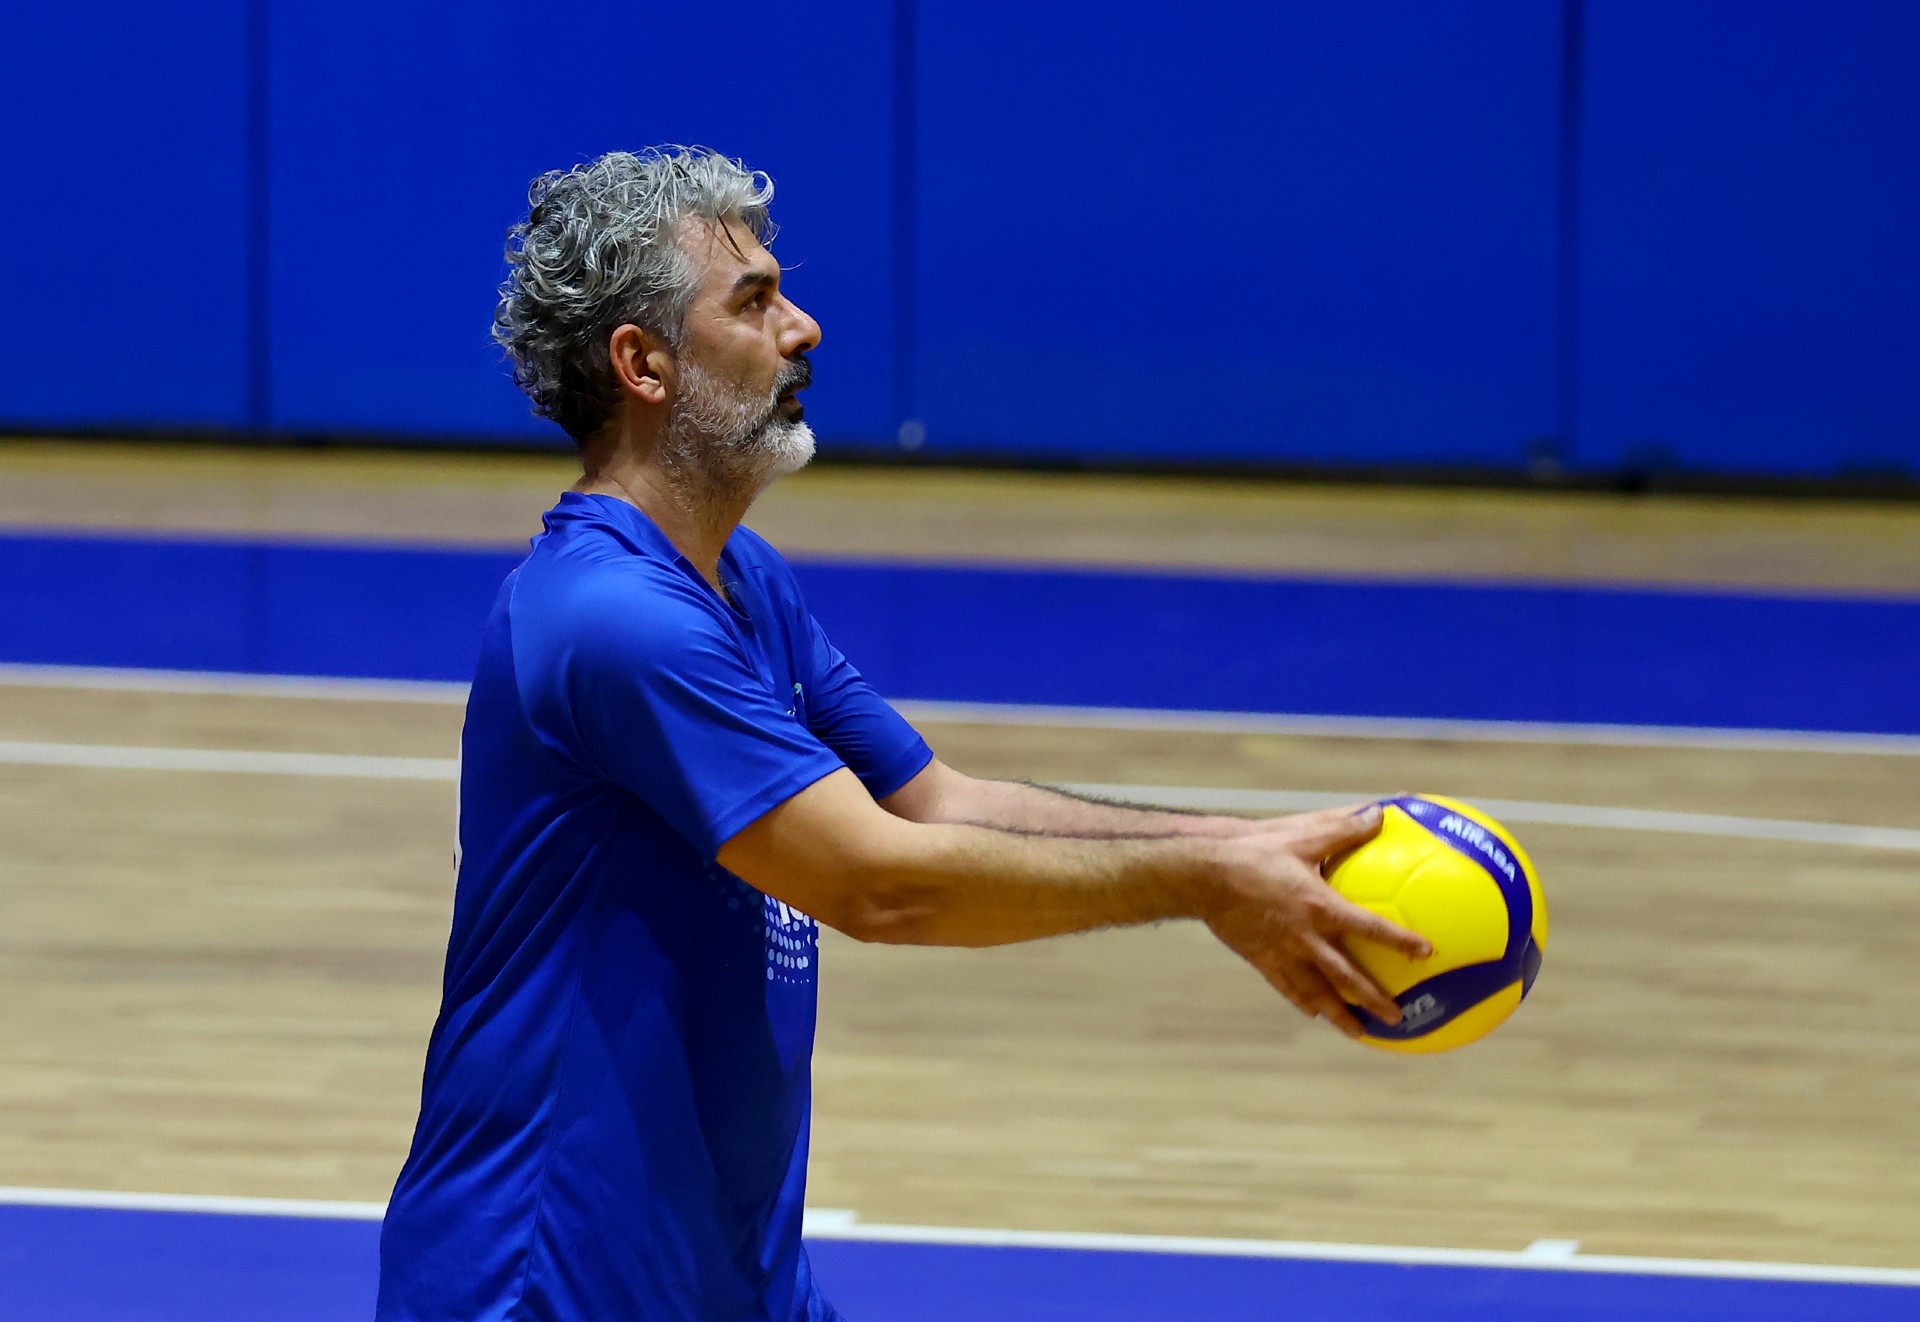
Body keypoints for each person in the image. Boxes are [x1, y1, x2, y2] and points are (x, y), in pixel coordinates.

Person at [375, 146, 1429, 1322]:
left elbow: (940, 804)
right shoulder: (613, 618)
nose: (804, 327)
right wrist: (1203, 884)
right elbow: (880, 882)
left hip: (722, 1277)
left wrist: (1245, 846)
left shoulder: (740, 582)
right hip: (549, 1285)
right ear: (644, 363)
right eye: (754, 302)